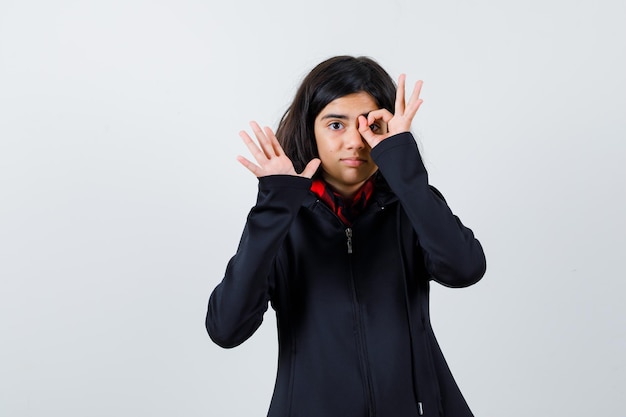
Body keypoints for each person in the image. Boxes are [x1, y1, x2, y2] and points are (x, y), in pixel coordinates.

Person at [205, 55, 486, 417]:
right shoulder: (282, 220)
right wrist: (275, 208)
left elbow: (465, 269)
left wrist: (402, 164)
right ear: (311, 131)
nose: (355, 141)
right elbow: (226, 328)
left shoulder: (408, 206)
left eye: (369, 124)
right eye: (336, 124)